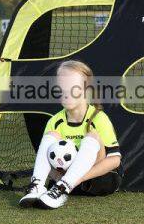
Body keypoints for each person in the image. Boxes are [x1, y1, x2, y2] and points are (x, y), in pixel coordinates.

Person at [19, 60, 123, 209]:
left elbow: (114, 161)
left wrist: (75, 180)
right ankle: (37, 187)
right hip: (62, 183)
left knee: (92, 136)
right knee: (51, 135)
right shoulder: (55, 121)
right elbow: (49, 161)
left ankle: (64, 186)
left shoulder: (98, 118)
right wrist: (57, 176)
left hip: (100, 180)